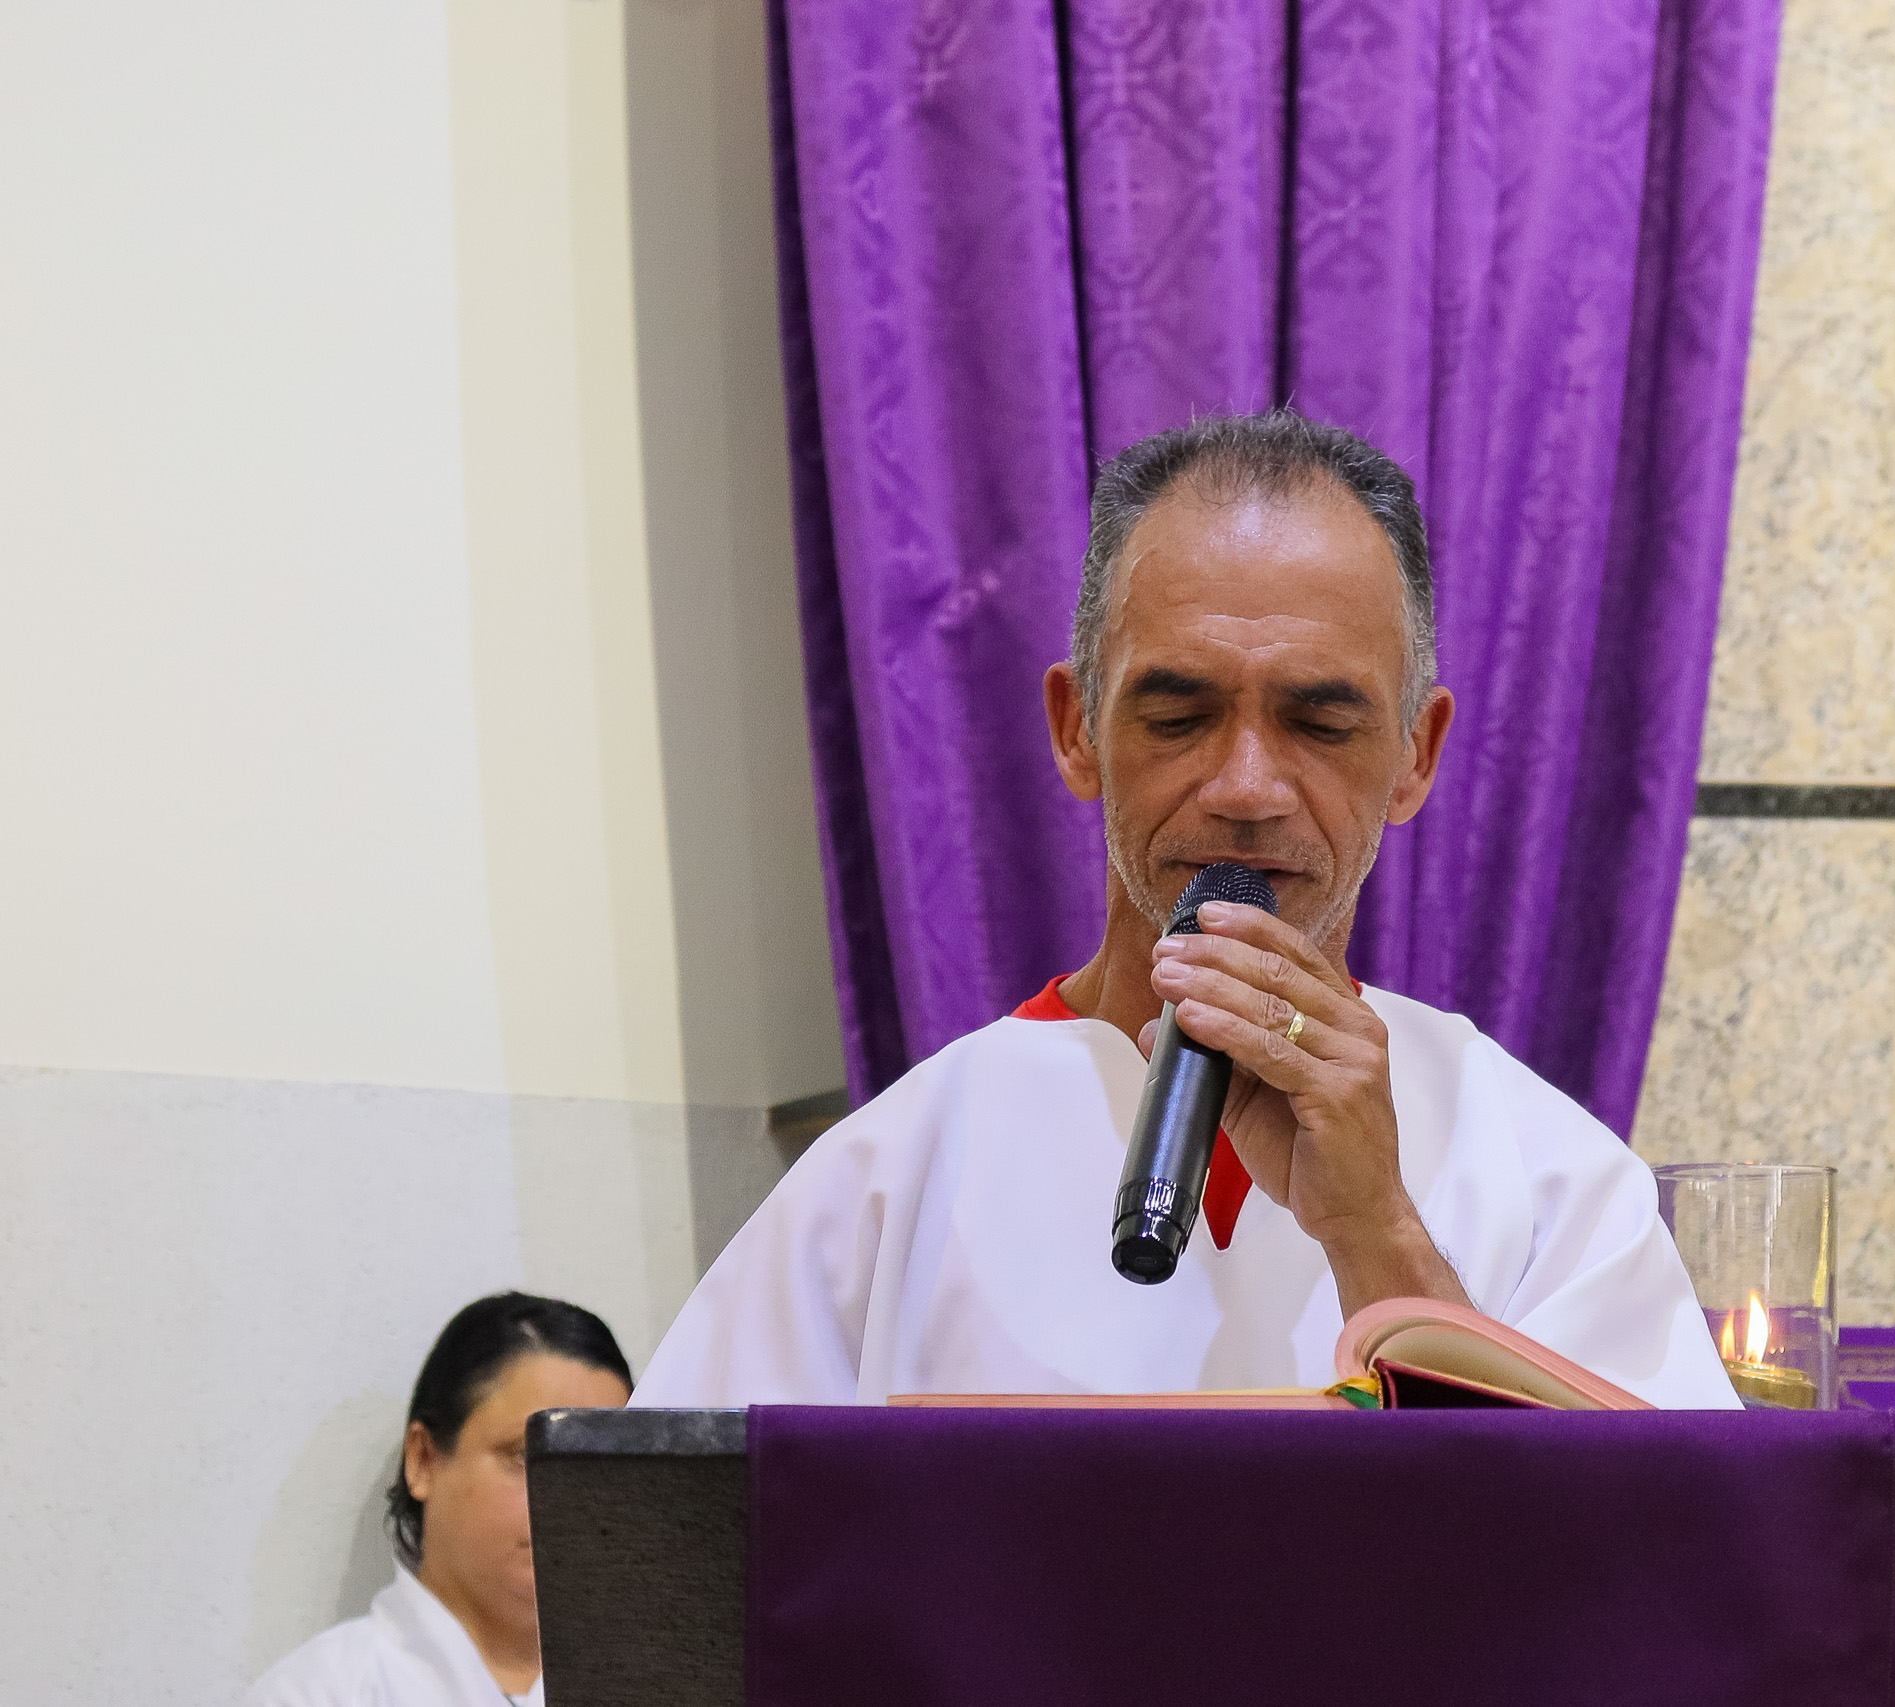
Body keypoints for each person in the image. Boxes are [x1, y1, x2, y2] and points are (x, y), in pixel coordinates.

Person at [634, 409, 1736, 1409]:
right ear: (1077, 729)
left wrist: (1376, 1228)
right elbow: (670, 1543)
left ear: (1416, 754)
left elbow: (1652, 1553)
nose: (1246, 788)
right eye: (1178, 717)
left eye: (1320, 723)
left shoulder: (1549, 1176)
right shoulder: (887, 1181)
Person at [247, 1293, 633, 1707]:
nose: (573, 1504)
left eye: (600, 1470)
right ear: (423, 1460)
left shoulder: (657, 1683)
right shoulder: (321, 1694)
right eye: (528, 1457)